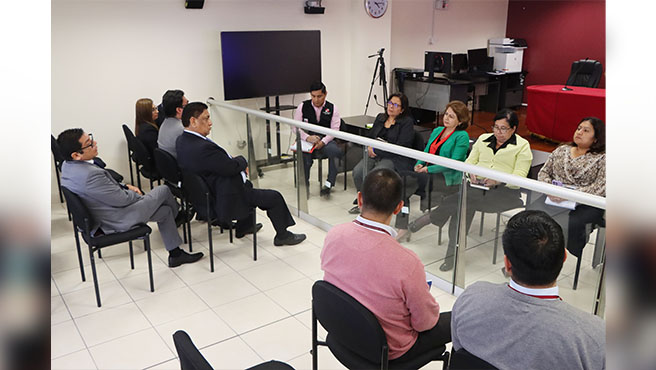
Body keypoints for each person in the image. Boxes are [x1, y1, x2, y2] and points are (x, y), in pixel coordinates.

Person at [321, 168, 451, 361]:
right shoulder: (407, 261)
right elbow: (425, 323)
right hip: (387, 351)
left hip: (341, 331)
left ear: (360, 198)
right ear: (399, 207)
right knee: (458, 319)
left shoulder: (334, 234)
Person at [451, 210, 605, 370]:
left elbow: (458, 351)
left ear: (507, 264)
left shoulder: (470, 299)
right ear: (564, 258)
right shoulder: (594, 337)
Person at [57, 128, 203, 267]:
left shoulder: (68, 167)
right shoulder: (90, 175)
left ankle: (175, 254)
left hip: (105, 214)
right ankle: (180, 216)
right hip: (118, 219)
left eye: (91, 139)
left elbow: (105, 190)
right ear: (76, 155)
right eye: (89, 143)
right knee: (164, 190)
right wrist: (137, 195)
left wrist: (126, 186)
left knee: (165, 212)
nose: (95, 143)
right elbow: (122, 200)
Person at [410, 109, 533, 271]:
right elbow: (468, 164)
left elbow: (520, 177)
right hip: (475, 188)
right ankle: (452, 255)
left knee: (462, 200)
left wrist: (497, 181)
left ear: (514, 129)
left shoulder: (523, 146)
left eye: (503, 129)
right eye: (495, 127)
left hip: (503, 193)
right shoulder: (483, 139)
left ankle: (433, 218)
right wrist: (471, 174)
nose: (498, 132)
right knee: (463, 204)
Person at [176, 102, 306, 246]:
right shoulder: (202, 148)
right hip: (222, 196)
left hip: (203, 194)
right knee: (274, 197)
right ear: (193, 122)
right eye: (206, 119)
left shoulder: (182, 140)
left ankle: (244, 226)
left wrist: (232, 164)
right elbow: (230, 167)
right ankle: (283, 235)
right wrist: (242, 161)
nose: (210, 123)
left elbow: (220, 164)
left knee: (248, 185)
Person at [530, 117, 606, 259]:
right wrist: (550, 190)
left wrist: (571, 195)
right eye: (579, 128)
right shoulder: (561, 150)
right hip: (553, 198)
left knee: (572, 224)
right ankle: (530, 254)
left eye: (586, 130)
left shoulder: (602, 158)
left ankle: (563, 256)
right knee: (531, 214)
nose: (580, 132)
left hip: (584, 203)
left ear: (596, 138)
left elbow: (601, 187)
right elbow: (544, 172)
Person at [396, 100, 470, 241]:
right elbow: (425, 153)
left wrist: (427, 169)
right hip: (428, 174)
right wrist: (419, 164)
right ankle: (403, 225)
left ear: (460, 121)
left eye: (451, 116)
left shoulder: (462, 136)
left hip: (445, 178)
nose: (446, 118)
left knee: (404, 180)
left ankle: (405, 227)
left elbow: (452, 163)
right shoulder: (437, 131)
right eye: (446, 114)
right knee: (402, 184)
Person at [349, 92, 415, 214]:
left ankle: (375, 206)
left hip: (393, 157)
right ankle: (364, 201)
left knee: (376, 175)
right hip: (375, 153)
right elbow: (370, 136)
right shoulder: (380, 118)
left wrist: (376, 150)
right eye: (390, 103)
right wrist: (369, 146)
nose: (391, 107)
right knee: (358, 172)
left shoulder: (406, 123)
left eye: (396, 105)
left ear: (402, 110)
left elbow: (401, 146)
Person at [292, 81, 343, 196]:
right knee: (305, 156)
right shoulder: (303, 106)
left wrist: (323, 142)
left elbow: (335, 130)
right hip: (307, 139)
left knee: (334, 152)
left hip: (325, 140)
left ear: (325, 94)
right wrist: (307, 137)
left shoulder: (333, 108)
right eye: (313, 96)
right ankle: (305, 185)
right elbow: (295, 127)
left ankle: (329, 184)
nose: (316, 100)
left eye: (319, 96)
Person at [157, 89, 188, 158]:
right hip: (179, 166)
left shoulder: (165, 123)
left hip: (167, 166)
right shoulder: (182, 129)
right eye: (186, 105)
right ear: (179, 110)